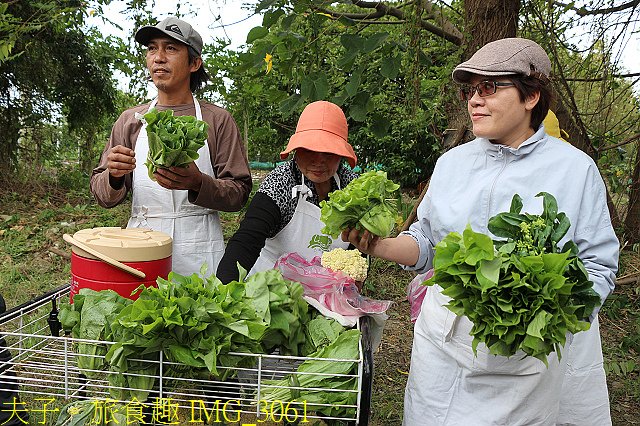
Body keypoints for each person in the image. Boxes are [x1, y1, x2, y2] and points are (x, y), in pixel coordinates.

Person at [343, 38, 619, 425]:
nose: (474, 99)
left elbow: (598, 267)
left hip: (529, 361)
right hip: (446, 346)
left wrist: (543, 317)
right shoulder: (452, 164)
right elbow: (428, 244)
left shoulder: (574, 170)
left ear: (531, 96)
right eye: (469, 90)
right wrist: (382, 245)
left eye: (489, 87)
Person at [90, 17, 252, 276]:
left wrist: (198, 182)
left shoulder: (217, 120)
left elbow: (239, 194)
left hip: (200, 248)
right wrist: (114, 176)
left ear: (194, 63)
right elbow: (102, 196)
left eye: (171, 48)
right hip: (142, 247)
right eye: (152, 48)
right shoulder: (130, 121)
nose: (158, 57)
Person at [216, 100, 358, 284]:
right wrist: (223, 292)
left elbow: (359, 248)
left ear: (341, 155)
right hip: (273, 291)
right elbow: (246, 241)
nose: (319, 160)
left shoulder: (352, 187)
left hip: (329, 294)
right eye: (310, 149)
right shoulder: (280, 182)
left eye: (329, 152)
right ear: (297, 150)